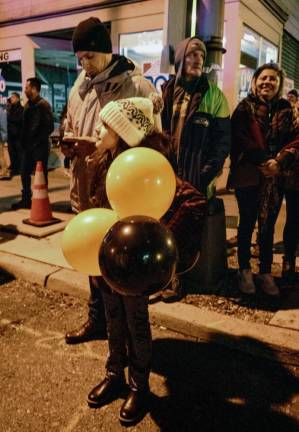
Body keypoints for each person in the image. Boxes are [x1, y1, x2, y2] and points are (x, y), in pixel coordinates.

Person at [86, 95, 206, 426]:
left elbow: (194, 201)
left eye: (105, 124)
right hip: (106, 262)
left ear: (122, 131)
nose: (98, 129)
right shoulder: (107, 159)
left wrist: (155, 241)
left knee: (136, 324)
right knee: (113, 320)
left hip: (132, 269)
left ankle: (139, 386)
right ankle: (114, 374)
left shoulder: (146, 166)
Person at [61, 17, 159, 346]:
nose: (84, 64)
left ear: (106, 52)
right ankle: (97, 319)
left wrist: (103, 146)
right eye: (79, 58)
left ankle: (129, 335)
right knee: (90, 254)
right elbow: (70, 121)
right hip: (84, 182)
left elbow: (153, 144)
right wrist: (69, 145)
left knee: (119, 260)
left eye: (89, 56)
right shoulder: (79, 86)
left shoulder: (137, 86)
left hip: (119, 191)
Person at [161, 36, 230, 301]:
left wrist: (208, 171)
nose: (198, 60)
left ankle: (179, 280)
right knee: (164, 224)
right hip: (168, 172)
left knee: (185, 229)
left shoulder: (213, 95)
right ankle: (165, 274)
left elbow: (222, 141)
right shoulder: (167, 91)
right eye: (192, 55)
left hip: (195, 176)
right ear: (180, 60)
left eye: (201, 57)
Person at [228, 63, 299, 296]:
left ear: (278, 85)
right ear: (255, 81)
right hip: (248, 176)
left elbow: (294, 141)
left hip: (276, 178)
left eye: (273, 79)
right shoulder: (244, 108)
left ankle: (266, 272)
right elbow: (240, 138)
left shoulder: (286, 109)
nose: (267, 82)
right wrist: (264, 161)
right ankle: (245, 270)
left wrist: (279, 163)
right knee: (247, 223)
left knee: (267, 227)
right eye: (263, 78)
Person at [11, 78, 54, 209]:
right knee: (24, 172)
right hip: (28, 148)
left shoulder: (43, 105)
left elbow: (49, 127)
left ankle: (42, 201)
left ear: (34, 89)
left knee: (41, 175)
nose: (25, 89)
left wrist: (36, 142)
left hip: (39, 147)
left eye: (27, 87)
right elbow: (25, 126)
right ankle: (26, 200)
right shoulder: (28, 105)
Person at [7, 92, 24, 177]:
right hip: (11, 135)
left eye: (13, 97)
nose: (11, 99)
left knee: (19, 152)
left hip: (18, 135)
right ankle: (14, 168)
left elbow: (19, 120)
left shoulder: (21, 109)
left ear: (17, 98)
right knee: (12, 153)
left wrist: (9, 118)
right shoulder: (11, 109)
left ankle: (21, 169)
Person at [0, 105, 10, 180]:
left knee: (0, 155)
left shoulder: (1, 111)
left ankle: (5, 172)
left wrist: (4, 137)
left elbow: (3, 125)